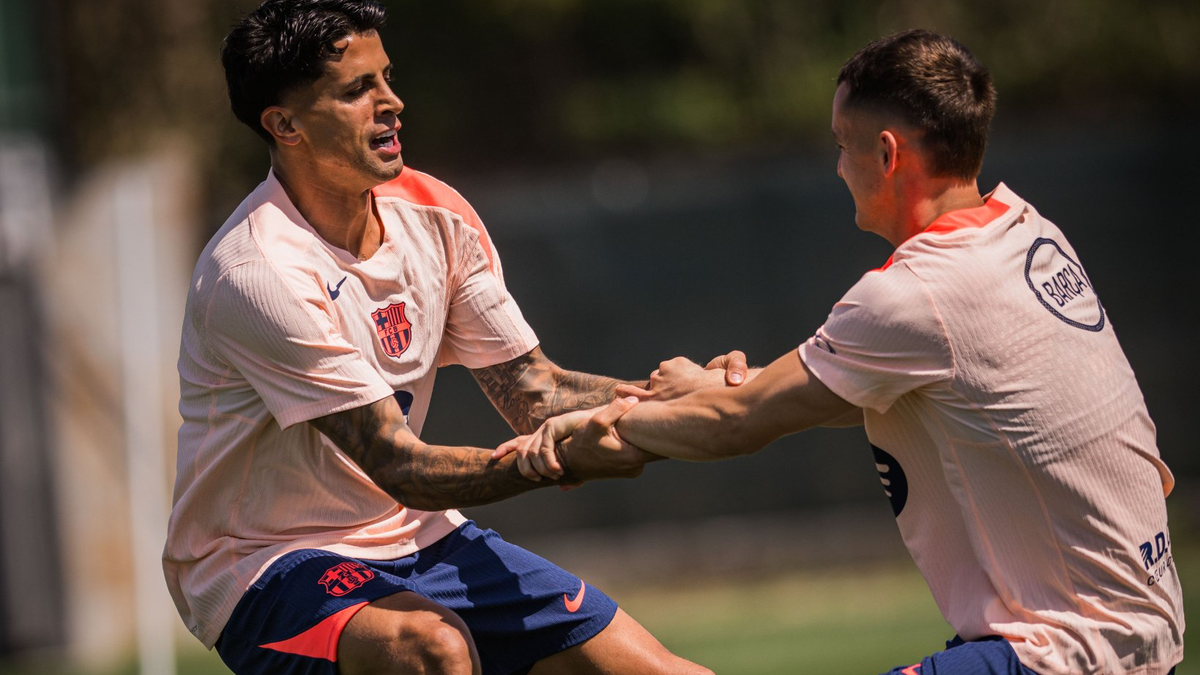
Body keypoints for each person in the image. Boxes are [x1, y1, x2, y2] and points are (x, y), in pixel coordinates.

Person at [501, 29, 1185, 675]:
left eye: (841, 144)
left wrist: (598, 428)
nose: (836, 166)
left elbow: (735, 424)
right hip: (1136, 631)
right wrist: (712, 389)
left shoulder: (918, 291)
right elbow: (862, 388)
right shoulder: (1026, 233)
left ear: (887, 154)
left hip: (1067, 650)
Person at [161, 2, 744, 674]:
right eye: (358, 90)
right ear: (285, 124)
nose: (392, 103)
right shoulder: (258, 271)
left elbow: (536, 392)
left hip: (417, 536)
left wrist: (690, 395)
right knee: (431, 648)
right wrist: (549, 461)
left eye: (387, 78)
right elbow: (398, 465)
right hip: (264, 564)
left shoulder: (436, 214)